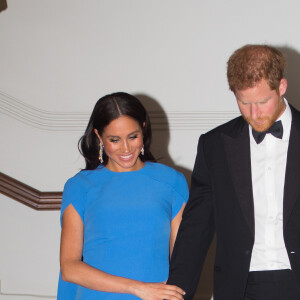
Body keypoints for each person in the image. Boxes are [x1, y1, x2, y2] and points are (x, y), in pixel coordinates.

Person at [167, 45, 300, 300]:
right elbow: (196, 227)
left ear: (281, 87)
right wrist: (175, 292)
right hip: (240, 287)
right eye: (243, 102)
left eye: (262, 102)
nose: (254, 114)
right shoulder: (215, 145)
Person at [57, 92, 188, 299]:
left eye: (133, 136)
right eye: (114, 140)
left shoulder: (172, 182)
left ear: (143, 128)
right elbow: (69, 267)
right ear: (99, 136)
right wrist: (137, 287)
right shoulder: (79, 187)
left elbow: (183, 264)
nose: (126, 148)